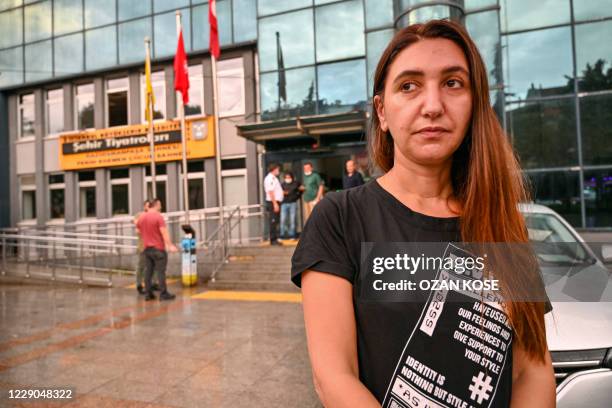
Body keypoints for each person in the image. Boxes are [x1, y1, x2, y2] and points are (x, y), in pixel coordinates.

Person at [291, 20, 555, 407]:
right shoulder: (340, 217)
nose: (432, 106)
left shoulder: (502, 222)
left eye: (453, 83)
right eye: (409, 86)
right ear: (381, 111)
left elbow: (534, 371)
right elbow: (333, 377)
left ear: (474, 104)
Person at [136, 198, 178, 301]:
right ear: (156, 205)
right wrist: (170, 245)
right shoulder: (158, 217)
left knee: (148, 272)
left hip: (147, 249)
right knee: (160, 272)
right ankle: (163, 294)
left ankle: (148, 294)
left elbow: (138, 230)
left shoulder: (141, 217)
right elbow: (163, 232)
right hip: (158, 249)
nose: (161, 207)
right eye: (160, 205)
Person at [133, 200, 159, 295]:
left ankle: (153, 283)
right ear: (144, 207)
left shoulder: (154, 216)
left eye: (150, 206)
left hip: (153, 245)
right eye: (147, 206)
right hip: (143, 246)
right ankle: (139, 285)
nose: (149, 208)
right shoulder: (140, 215)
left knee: (154, 265)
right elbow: (137, 228)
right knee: (141, 266)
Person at [264, 163, 284, 245]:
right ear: (274, 169)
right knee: (273, 220)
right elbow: (270, 192)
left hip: (276, 202)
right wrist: (275, 204)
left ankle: (275, 237)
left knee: (276, 221)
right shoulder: (270, 178)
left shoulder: (274, 178)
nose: (278, 171)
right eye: (278, 169)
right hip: (273, 202)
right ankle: (273, 239)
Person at [280, 172, 302, 240]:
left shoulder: (296, 183)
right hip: (284, 203)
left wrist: (297, 196)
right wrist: (283, 192)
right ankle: (282, 235)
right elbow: (279, 192)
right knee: (283, 219)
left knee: (292, 219)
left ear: (292, 177)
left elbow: (301, 189)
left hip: (293, 203)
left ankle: (292, 235)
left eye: (289, 177)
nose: (288, 179)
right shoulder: (282, 184)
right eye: (286, 177)